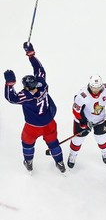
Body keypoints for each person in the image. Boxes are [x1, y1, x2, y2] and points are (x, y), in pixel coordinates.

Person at [3, 42, 66, 174]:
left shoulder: (25, 96)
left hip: (33, 127)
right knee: (53, 143)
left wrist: (9, 84)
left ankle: (29, 162)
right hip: (49, 123)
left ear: (26, 87)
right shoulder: (42, 85)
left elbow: (11, 98)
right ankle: (60, 162)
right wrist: (31, 55)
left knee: (27, 143)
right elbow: (40, 70)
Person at [67, 74, 106, 168]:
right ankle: (73, 155)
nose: (96, 90)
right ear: (89, 86)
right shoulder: (82, 95)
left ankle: (104, 152)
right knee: (77, 140)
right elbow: (76, 111)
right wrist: (83, 122)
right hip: (83, 120)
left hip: (99, 119)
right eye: (93, 88)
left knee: (101, 138)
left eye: (98, 88)